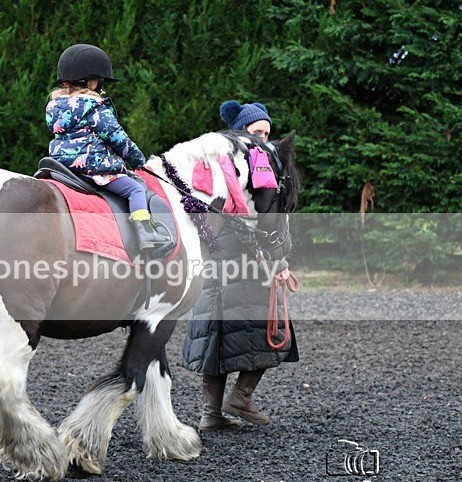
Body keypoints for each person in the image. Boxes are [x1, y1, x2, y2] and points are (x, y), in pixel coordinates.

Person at [181, 100, 298, 431]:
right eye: (256, 131)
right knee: (271, 330)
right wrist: (279, 261)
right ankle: (238, 399)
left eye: (267, 133)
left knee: (216, 336)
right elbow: (264, 222)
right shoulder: (252, 166)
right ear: (240, 131)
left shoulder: (217, 162)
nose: (263, 139)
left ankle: (212, 413)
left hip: (215, 259)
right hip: (240, 260)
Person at [45, 44, 168, 251]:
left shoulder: (55, 107)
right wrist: (138, 160)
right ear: (92, 81)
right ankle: (145, 233)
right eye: (100, 81)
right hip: (93, 168)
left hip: (62, 167)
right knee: (135, 189)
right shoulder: (93, 107)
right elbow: (117, 138)